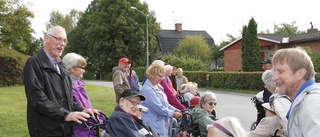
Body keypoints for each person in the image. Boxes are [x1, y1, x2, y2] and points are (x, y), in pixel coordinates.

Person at [23, 26, 98, 137]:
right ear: (46, 38)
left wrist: (82, 109)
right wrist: (65, 115)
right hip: (45, 129)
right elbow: (36, 98)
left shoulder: (62, 66)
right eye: (58, 39)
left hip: (64, 129)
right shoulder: (34, 63)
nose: (62, 43)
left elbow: (68, 98)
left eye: (64, 40)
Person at [272, 47, 320, 136]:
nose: (274, 78)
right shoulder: (304, 100)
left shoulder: (313, 103)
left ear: (300, 74)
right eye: (274, 71)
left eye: (280, 71)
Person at [62, 53, 105, 137]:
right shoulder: (67, 87)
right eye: (82, 67)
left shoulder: (79, 84)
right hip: (79, 129)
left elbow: (87, 106)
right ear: (72, 68)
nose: (84, 70)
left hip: (88, 127)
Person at [140, 63, 182, 137]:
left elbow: (165, 103)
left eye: (163, 75)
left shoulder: (158, 86)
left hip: (161, 123)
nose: (162, 78)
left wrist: (175, 109)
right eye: (160, 75)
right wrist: (173, 113)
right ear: (152, 74)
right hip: (153, 123)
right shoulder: (147, 90)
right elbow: (158, 107)